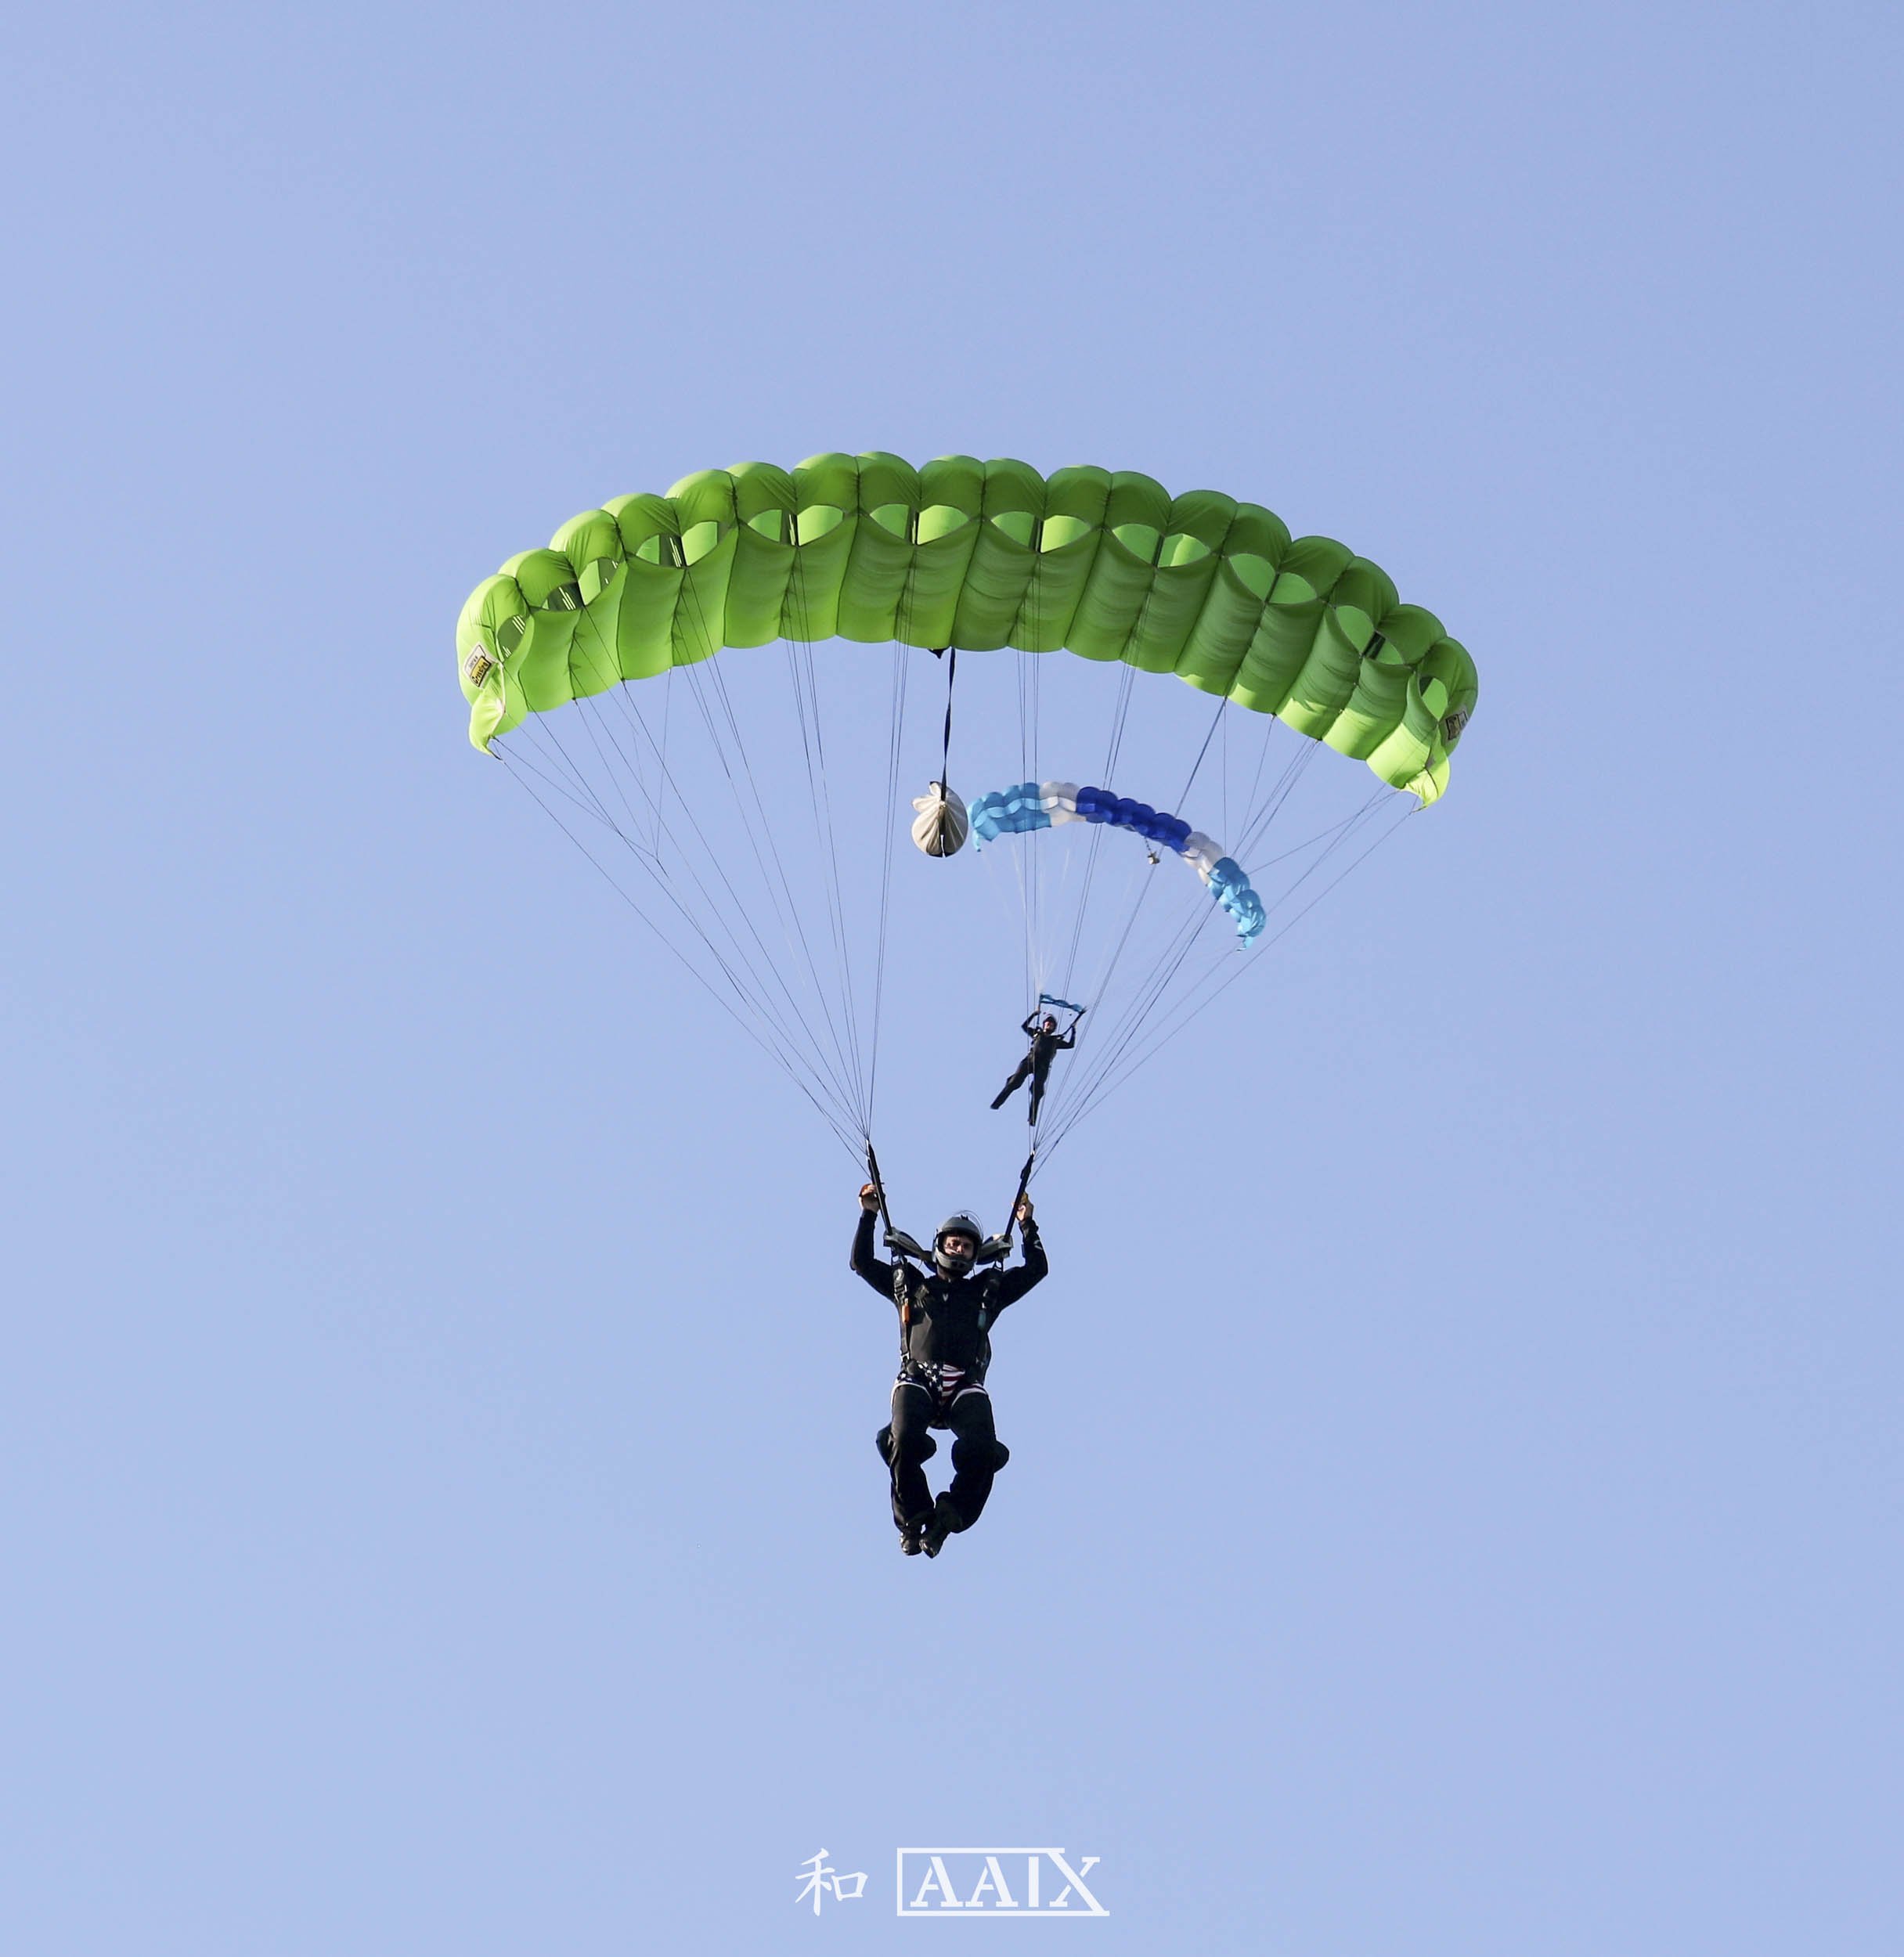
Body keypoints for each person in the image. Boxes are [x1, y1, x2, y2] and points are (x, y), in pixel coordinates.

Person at [851, 1183, 1048, 1556]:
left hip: (963, 1385)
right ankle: (913, 1520)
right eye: (954, 1243)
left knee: (983, 1450)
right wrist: (869, 1213)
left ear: (975, 1255)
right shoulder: (910, 1285)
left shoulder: (986, 1291)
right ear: (940, 1246)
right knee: (904, 1440)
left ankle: (947, 1519)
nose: (960, 1249)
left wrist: (1027, 1224)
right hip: (918, 1378)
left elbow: (1037, 1270)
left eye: (968, 1246)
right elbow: (861, 1262)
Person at [990, 1010, 1080, 1123]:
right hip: (1029, 1062)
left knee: (1037, 1090)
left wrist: (1073, 1030)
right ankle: (996, 1104)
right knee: (1014, 1082)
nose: (1049, 1024)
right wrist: (1034, 1014)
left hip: (1043, 1066)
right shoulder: (1037, 1034)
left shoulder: (1055, 1041)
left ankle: (1032, 1118)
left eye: (1051, 1024)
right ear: (1044, 1025)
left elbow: (1071, 1045)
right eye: (1047, 1022)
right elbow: (1024, 1026)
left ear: (1054, 1028)